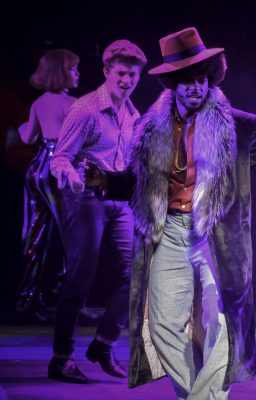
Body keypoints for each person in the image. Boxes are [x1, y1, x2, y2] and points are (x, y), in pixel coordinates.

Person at [85, 27, 256, 399]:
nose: (196, 88)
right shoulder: (149, 128)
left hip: (214, 234)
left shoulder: (239, 126)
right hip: (168, 229)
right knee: (163, 322)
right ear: (174, 85)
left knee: (220, 319)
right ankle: (196, 394)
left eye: (201, 80)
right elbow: (139, 181)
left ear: (210, 81)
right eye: (187, 82)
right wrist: (107, 181)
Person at [48, 39, 147, 383]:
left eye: (133, 74)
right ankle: (61, 359)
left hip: (119, 200)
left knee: (135, 271)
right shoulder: (86, 109)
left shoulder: (134, 115)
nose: (127, 80)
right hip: (85, 197)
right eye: (121, 73)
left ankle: (103, 345)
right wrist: (73, 177)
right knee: (81, 277)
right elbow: (59, 157)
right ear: (106, 71)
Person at [16, 49, 79, 322]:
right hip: (57, 171)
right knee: (70, 234)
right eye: (74, 69)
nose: (78, 74)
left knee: (35, 233)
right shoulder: (73, 104)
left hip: (36, 169)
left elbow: (28, 137)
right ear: (63, 71)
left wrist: (19, 128)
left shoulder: (39, 102)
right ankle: (63, 292)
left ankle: (28, 297)